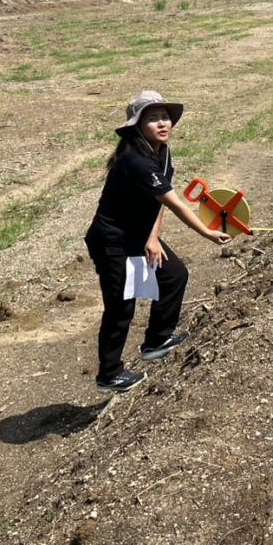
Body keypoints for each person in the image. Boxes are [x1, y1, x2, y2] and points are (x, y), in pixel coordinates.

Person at [84, 90, 230, 393]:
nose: (162, 124)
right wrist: (207, 232)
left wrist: (152, 238)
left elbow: (158, 201)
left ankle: (156, 340)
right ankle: (109, 375)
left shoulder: (160, 151)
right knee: (121, 306)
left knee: (174, 274)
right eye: (153, 119)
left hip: (138, 235)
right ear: (137, 126)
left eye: (165, 117)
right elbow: (175, 203)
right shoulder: (135, 160)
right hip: (113, 241)